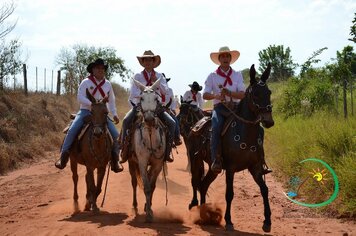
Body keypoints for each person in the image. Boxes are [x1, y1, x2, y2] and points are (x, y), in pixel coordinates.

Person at [55, 58, 123, 173]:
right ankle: (63, 156)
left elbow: (111, 101)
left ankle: (115, 159)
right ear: (93, 70)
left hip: (101, 113)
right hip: (86, 111)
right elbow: (80, 97)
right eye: (97, 68)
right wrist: (91, 104)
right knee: (72, 129)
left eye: (102, 68)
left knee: (116, 135)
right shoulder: (86, 82)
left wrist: (114, 114)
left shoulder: (107, 84)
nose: (100, 70)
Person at [120, 50, 179, 163]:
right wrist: (145, 94)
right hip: (140, 106)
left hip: (156, 106)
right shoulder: (137, 76)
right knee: (126, 121)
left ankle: (168, 151)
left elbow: (165, 91)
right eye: (145, 60)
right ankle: (124, 150)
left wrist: (156, 84)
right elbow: (133, 93)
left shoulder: (159, 76)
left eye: (150, 60)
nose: (148, 62)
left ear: (153, 62)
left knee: (172, 123)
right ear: (143, 62)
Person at [162, 73, 182, 144]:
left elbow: (172, 100)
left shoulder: (170, 90)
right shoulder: (155, 89)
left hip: (168, 109)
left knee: (175, 121)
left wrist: (172, 109)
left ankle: (176, 138)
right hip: (158, 109)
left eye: (163, 81)